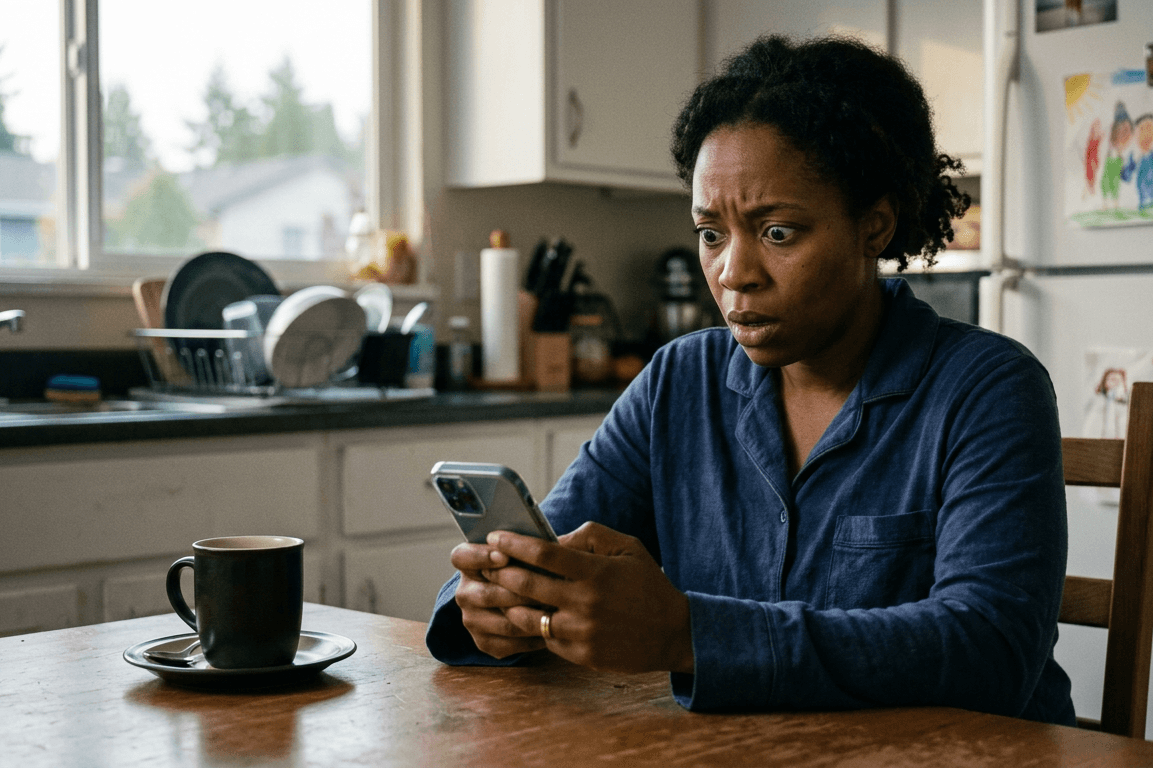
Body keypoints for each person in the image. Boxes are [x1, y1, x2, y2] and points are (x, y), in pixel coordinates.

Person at [426, 35, 1075, 726]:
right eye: (711, 233)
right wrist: (499, 610)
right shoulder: (679, 382)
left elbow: (991, 650)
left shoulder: (988, 388)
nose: (735, 271)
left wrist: (686, 634)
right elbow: (535, 559)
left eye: (779, 232)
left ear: (874, 226)